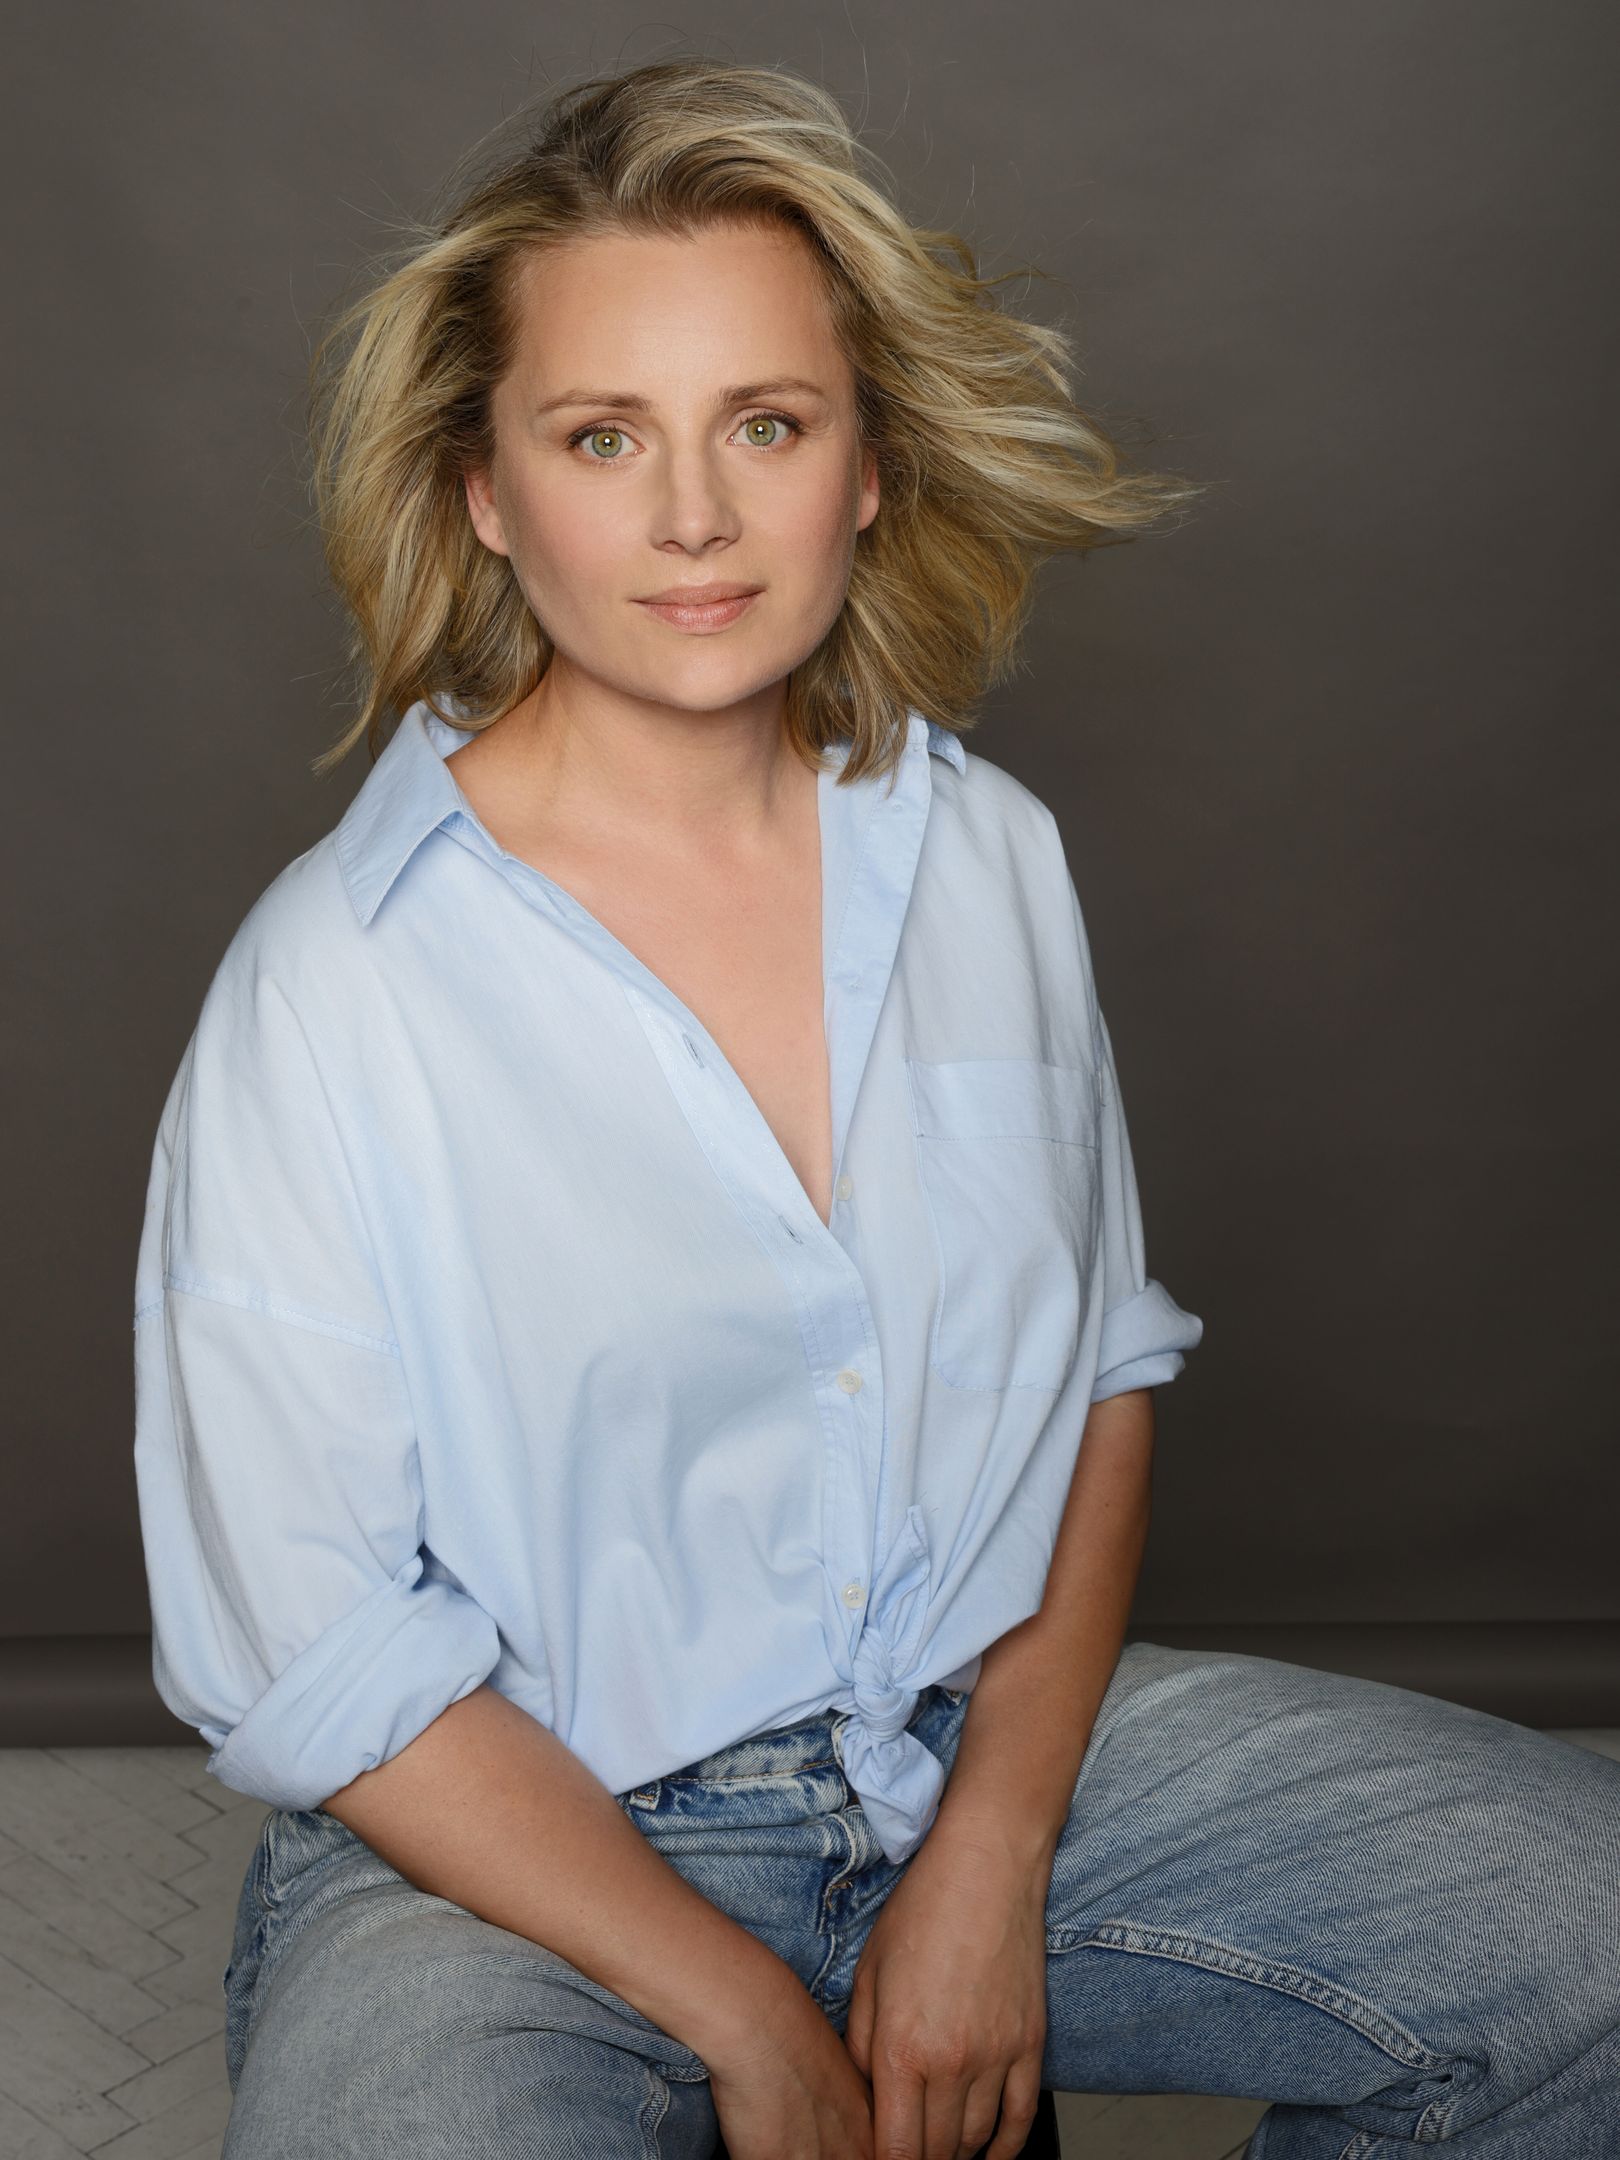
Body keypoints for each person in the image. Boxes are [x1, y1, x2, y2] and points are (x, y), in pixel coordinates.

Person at [131, 55, 1619, 2160]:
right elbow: (309, 1644)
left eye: (765, 422)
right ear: (486, 491)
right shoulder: (333, 982)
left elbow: (1094, 1381)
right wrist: (753, 2013)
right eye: (601, 435)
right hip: (509, 1860)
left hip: (975, 1751)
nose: (692, 517)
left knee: (1593, 1941)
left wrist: (989, 1864)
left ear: (868, 466)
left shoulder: (984, 856)